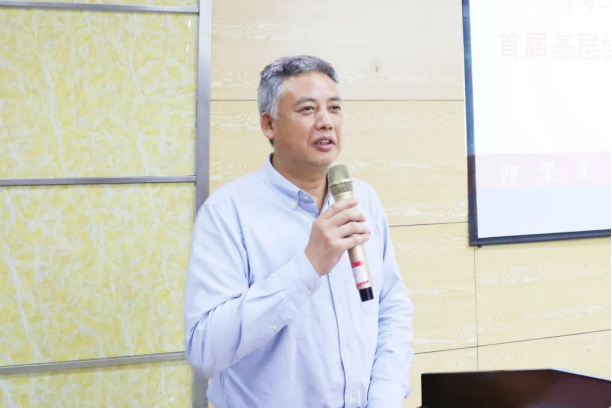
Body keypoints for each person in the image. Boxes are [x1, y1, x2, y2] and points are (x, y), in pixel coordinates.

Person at [184, 55, 414, 408]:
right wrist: (308, 267)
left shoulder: (362, 199)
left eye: (334, 108)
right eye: (308, 109)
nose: (326, 122)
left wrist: (384, 398)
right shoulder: (227, 212)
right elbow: (204, 350)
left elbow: (391, 309)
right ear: (269, 125)